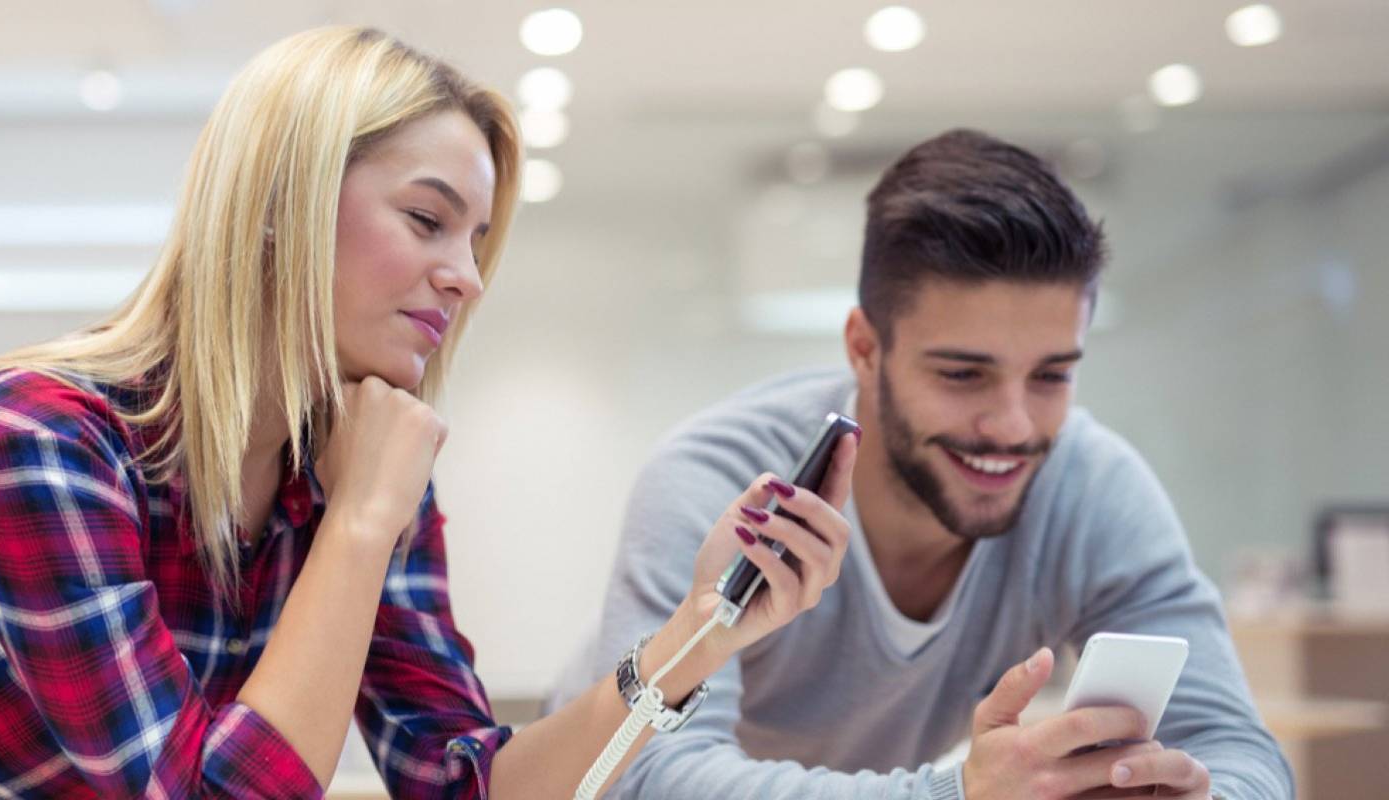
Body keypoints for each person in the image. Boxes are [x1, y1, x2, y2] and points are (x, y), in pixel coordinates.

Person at [0, 27, 857, 799]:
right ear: (279, 205)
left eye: (477, 238)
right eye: (428, 219)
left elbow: (464, 780)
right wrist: (362, 525)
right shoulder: (32, 437)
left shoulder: (363, 467)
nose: (468, 275)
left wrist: (696, 637)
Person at [547, 129, 1292, 800]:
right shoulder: (723, 478)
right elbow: (640, 773)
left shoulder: (1090, 485)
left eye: (1052, 375)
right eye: (963, 375)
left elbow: (1240, 749)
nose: (1013, 425)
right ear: (865, 349)